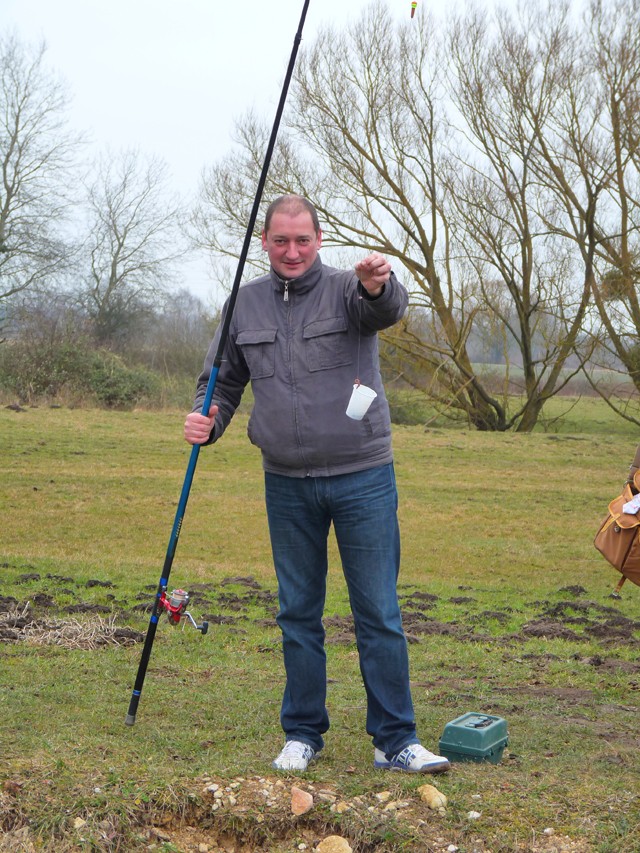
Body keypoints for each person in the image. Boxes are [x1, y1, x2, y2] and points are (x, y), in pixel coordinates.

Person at [184, 195, 450, 775]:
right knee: (298, 612)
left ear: (319, 239)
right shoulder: (244, 303)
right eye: (281, 240)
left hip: (363, 478)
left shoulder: (348, 291)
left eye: (302, 240)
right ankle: (302, 733)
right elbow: (221, 384)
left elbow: (385, 311)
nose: (292, 251)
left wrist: (380, 284)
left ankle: (395, 740)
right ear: (265, 242)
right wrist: (209, 422)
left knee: (377, 610)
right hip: (286, 484)